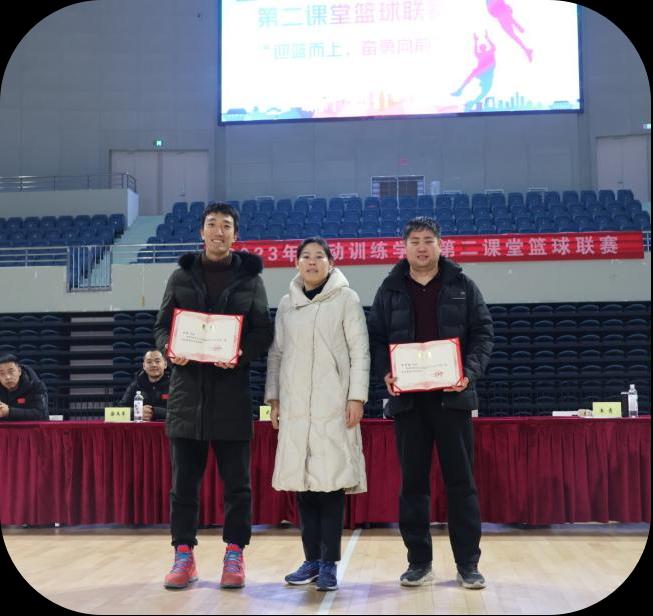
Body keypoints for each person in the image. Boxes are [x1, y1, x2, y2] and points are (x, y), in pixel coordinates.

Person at [367, 217, 494, 589]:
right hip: (408, 404)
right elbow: (375, 338)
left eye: (428, 240)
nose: (421, 247)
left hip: (453, 400)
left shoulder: (462, 285)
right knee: (413, 486)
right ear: (404, 247)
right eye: (415, 241)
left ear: (440, 244)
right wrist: (385, 372)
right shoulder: (390, 288)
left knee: (461, 485)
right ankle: (418, 562)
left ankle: (468, 564)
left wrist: (469, 372)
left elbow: (484, 333)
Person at [154, 202, 274, 590]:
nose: (218, 231)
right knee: (183, 487)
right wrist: (170, 349)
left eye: (226, 226)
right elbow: (162, 326)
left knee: (238, 486)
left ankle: (234, 554)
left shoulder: (251, 280)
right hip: (186, 398)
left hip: (231, 398)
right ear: (201, 232)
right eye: (212, 224)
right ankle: (183, 555)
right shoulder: (180, 276)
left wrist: (239, 353)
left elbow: (263, 332)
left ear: (235, 235)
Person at [265, 237, 369, 592]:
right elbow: (277, 354)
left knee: (331, 485)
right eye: (306, 256)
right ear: (296, 263)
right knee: (304, 486)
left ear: (331, 262)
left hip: (333, 406)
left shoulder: (346, 299)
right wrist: (274, 399)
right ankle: (311, 559)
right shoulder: (286, 304)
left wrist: (356, 397)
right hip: (295, 407)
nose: (312, 262)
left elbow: (360, 351)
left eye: (319, 256)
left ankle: (328, 562)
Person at [119, 349, 170, 421]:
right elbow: (120, 409)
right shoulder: (135, 386)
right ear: (144, 366)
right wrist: (137, 412)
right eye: (149, 362)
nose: (154, 365)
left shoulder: (174, 386)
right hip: (140, 428)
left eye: (157, 361)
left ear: (165, 364)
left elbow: (180, 412)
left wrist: (154, 412)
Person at [451, 32, 497, 110]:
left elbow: (493, 47)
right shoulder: (480, 55)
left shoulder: (489, 52)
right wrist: (475, 41)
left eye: (483, 47)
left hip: (487, 73)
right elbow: (475, 51)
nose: (482, 48)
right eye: (481, 47)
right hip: (482, 72)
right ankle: (460, 91)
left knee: (484, 92)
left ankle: (471, 102)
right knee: (472, 76)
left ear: (485, 47)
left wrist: (487, 38)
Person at [0, 354, 49, 421]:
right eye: (2, 373)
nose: (7, 377)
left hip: (33, 427)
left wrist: (9, 412)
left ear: (19, 371)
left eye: (11, 372)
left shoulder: (36, 386)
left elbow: (41, 415)